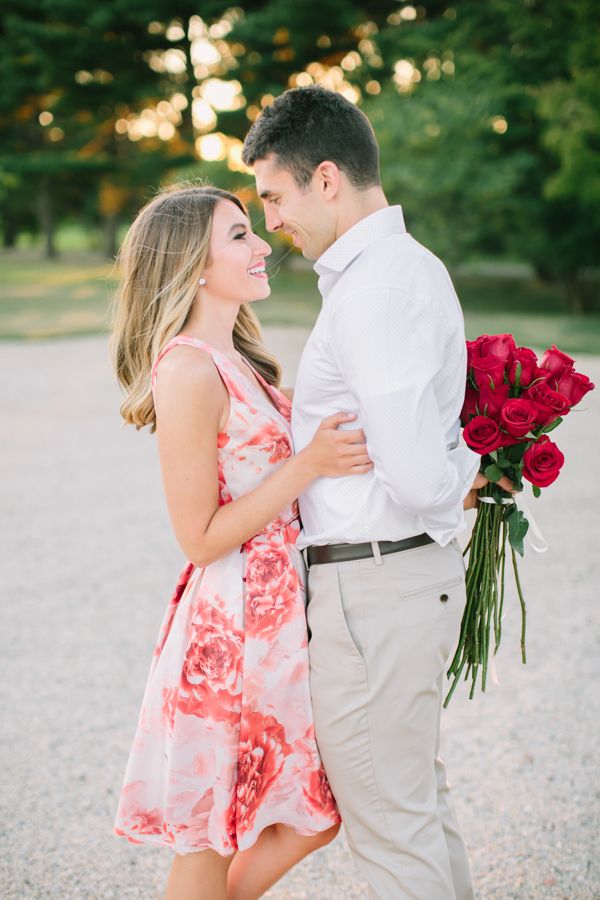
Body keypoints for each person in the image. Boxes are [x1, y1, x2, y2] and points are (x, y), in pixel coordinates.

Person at [242, 86, 514, 900]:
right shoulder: (399, 270)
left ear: (327, 178)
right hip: (393, 582)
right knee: (416, 811)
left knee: (394, 834)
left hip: (374, 585)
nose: (271, 221)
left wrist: (465, 486)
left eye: (274, 196)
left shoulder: (375, 292)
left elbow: (416, 473)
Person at [110, 183, 374, 900]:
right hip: (232, 629)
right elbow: (197, 538)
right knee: (214, 835)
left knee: (308, 813)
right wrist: (308, 463)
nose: (263, 246)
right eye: (238, 235)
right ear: (193, 263)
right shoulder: (188, 368)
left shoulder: (240, 361)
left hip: (277, 619)